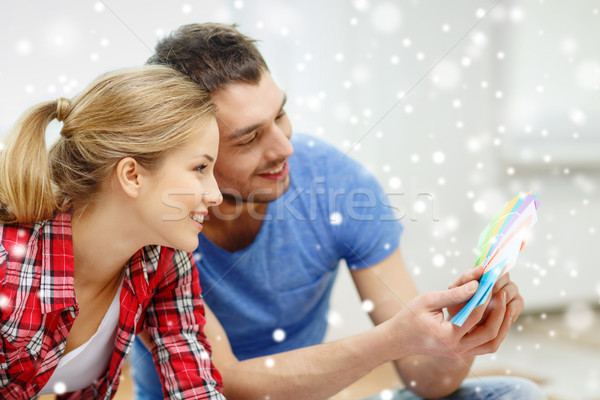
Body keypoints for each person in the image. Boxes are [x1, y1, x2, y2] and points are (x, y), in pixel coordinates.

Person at [131, 23, 545, 399]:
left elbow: (425, 380)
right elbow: (221, 381)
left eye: (280, 115)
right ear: (192, 150)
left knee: (512, 394)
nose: (284, 148)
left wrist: (459, 335)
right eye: (249, 138)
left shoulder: (339, 183)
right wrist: (392, 339)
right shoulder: (154, 220)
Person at [0, 65, 226, 400]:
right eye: (200, 169)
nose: (216, 194)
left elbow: (193, 381)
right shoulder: (9, 266)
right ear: (132, 175)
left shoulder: (164, 260)